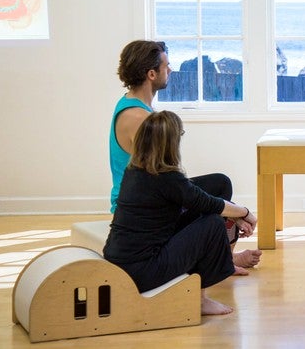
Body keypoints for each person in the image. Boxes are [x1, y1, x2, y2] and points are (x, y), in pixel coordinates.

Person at [110, 40, 261, 273]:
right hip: (142, 207)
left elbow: (169, 180)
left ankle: (225, 258)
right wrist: (239, 212)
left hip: (154, 193)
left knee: (219, 184)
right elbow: (170, 184)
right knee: (210, 210)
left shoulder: (137, 106)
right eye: (166, 66)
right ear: (151, 74)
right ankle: (219, 262)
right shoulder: (139, 118)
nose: (170, 70)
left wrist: (231, 211)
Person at [104, 111, 257, 315]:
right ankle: (200, 301)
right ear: (170, 144)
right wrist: (244, 213)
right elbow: (207, 203)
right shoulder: (167, 178)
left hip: (121, 262)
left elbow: (199, 199)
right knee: (213, 224)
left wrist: (235, 215)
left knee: (217, 188)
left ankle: (224, 262)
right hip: (142, 271)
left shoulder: (135, 171)